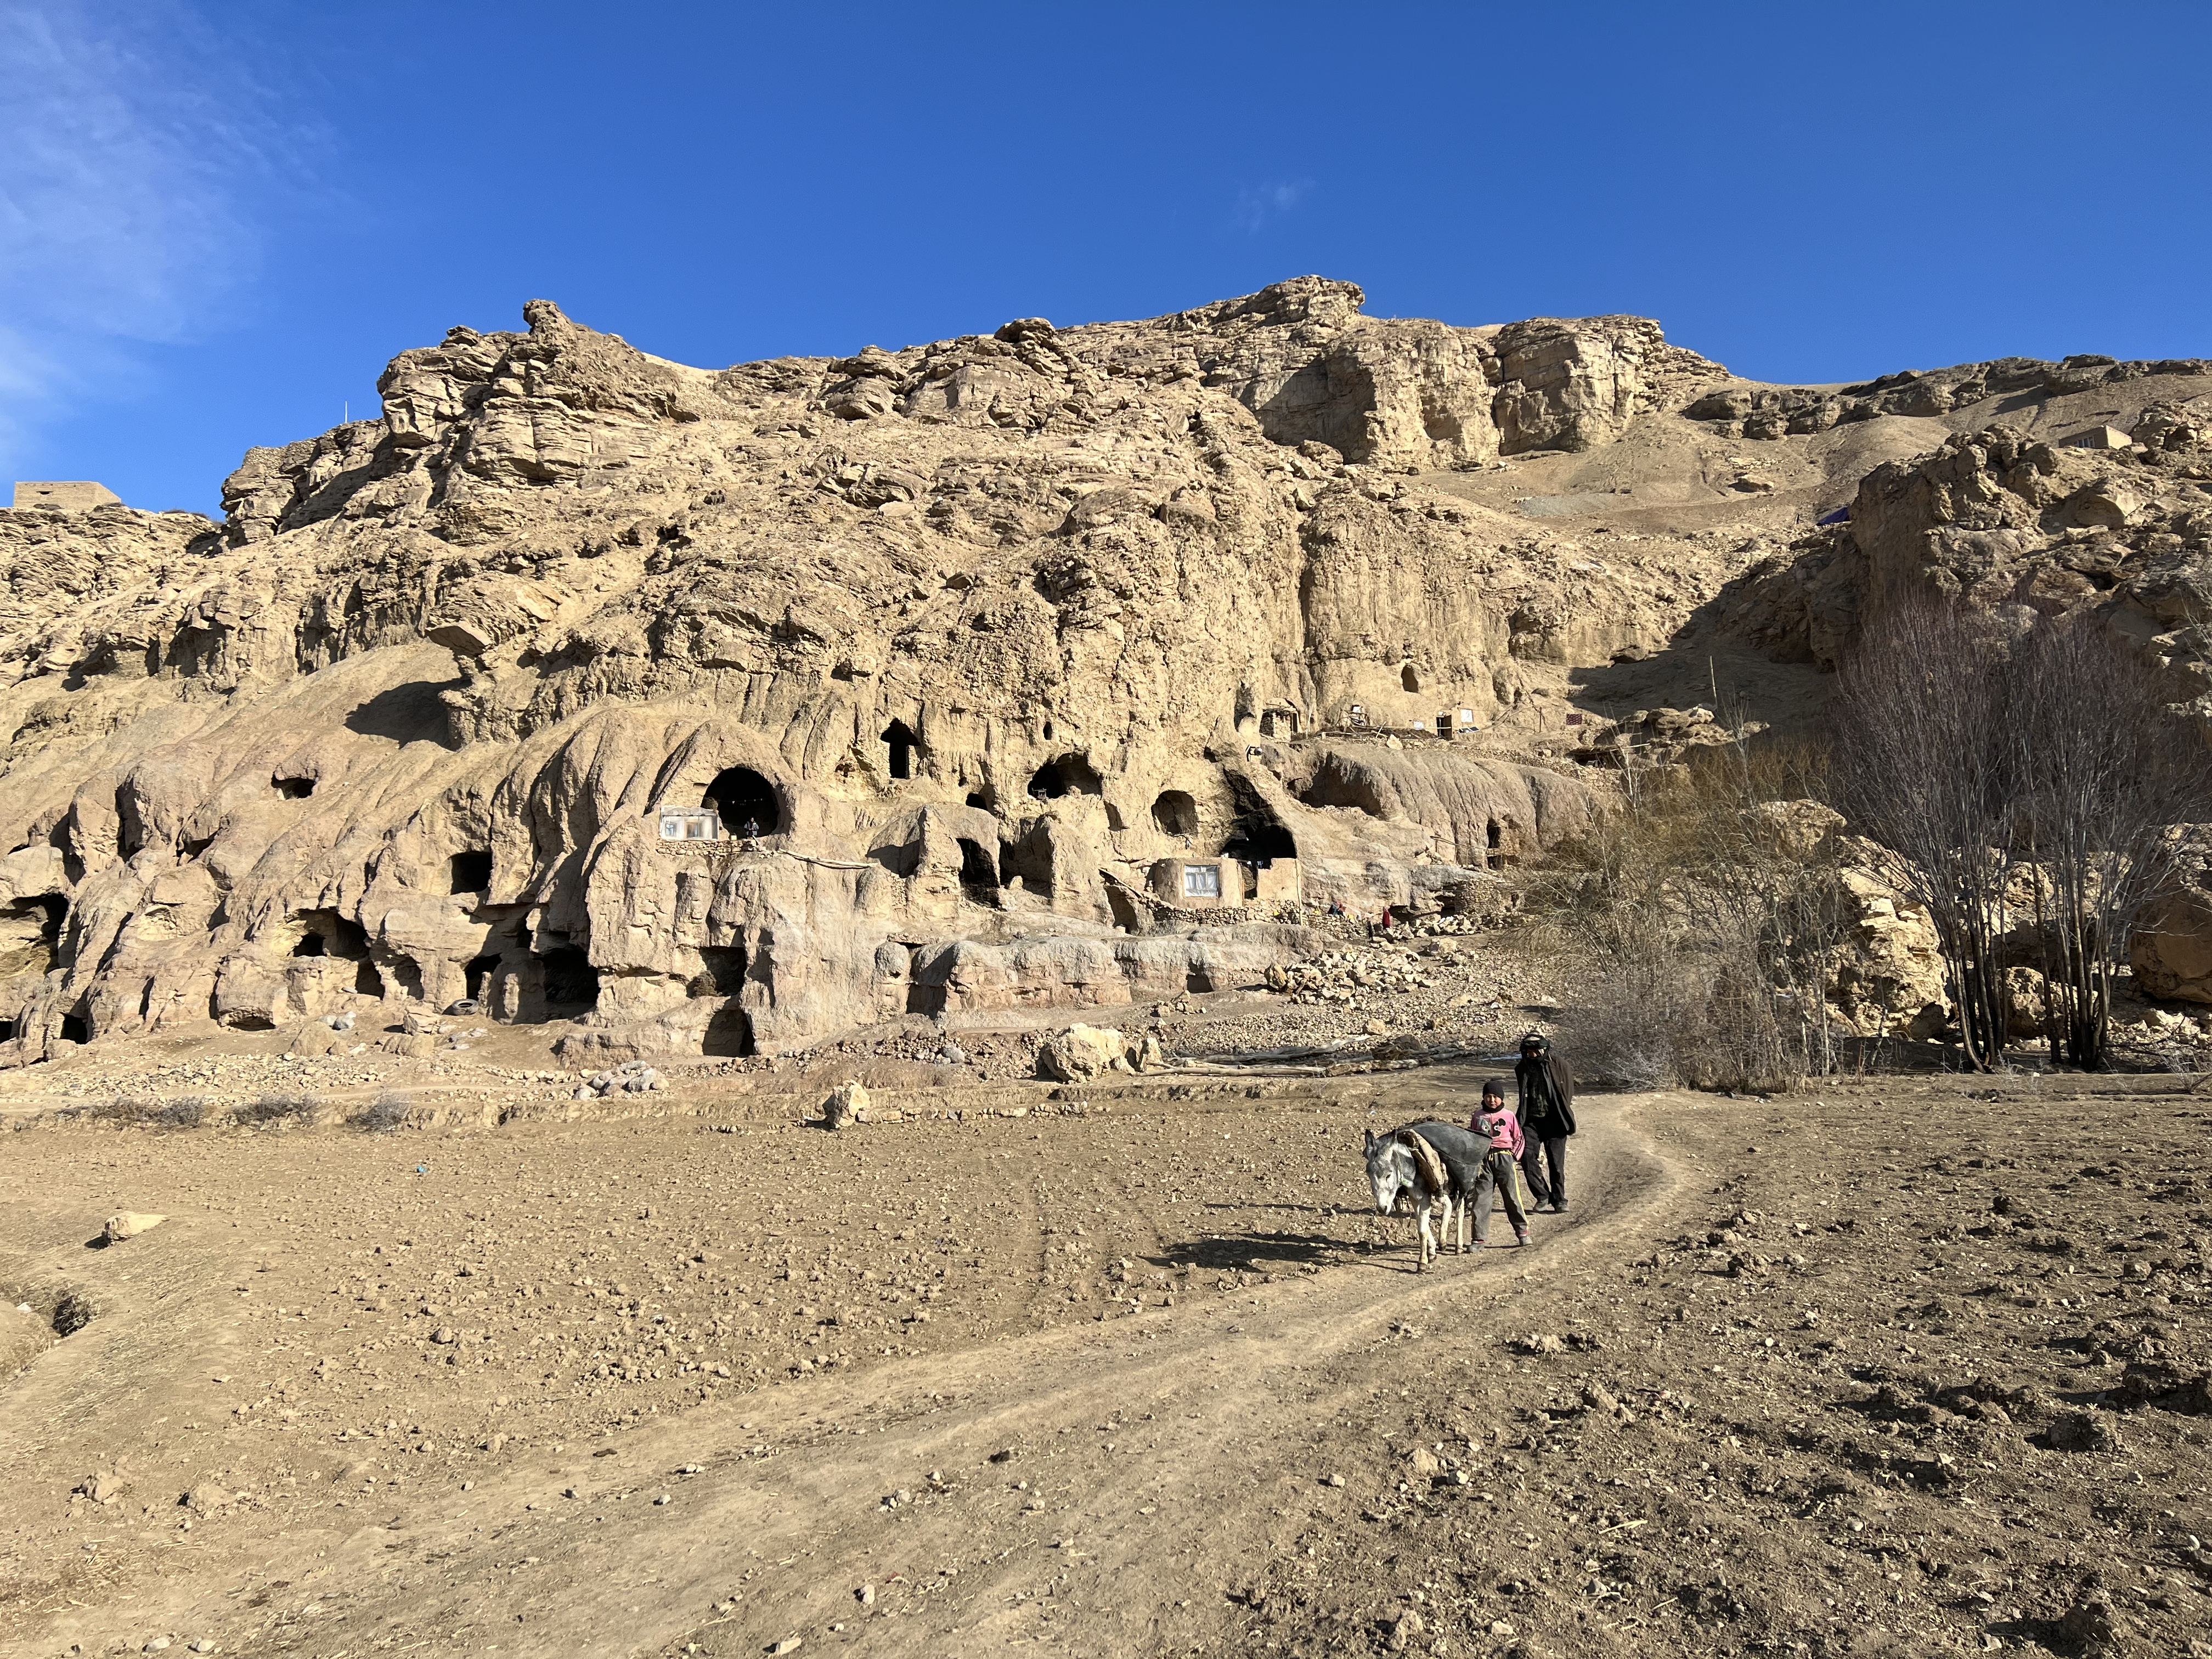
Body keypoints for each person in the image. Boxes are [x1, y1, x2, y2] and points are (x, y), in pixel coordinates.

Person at [1514, 1031, 1576, 1213]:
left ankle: (1560, 1200)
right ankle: (1542, 1196)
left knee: (1556, 1164)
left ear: (1544, 1049)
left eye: (1534, 1050)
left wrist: (1563, 1110)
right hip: (1531, 1122)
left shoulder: (1559, 1065)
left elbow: (1568, 1091)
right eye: (1528, 1050)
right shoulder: (1522, 1068)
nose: (1531, 1054)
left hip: (1555, 1120)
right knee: (1526, 1157)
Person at [1464, 1078, 1530, 1247]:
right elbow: (1472, 1138)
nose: (1491, 1101)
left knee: (1512, 1196)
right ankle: (1478, 1239)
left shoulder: (1509, 1116)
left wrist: (1514, 1156)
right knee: (1481, 1198)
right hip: (1484, 1161)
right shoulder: (1478, 1116)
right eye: (1488, 1097)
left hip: (1504, 1158)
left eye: (1495, 1097)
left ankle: (1522, 1233)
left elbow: (1519, 1138)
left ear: (1501, 1098)